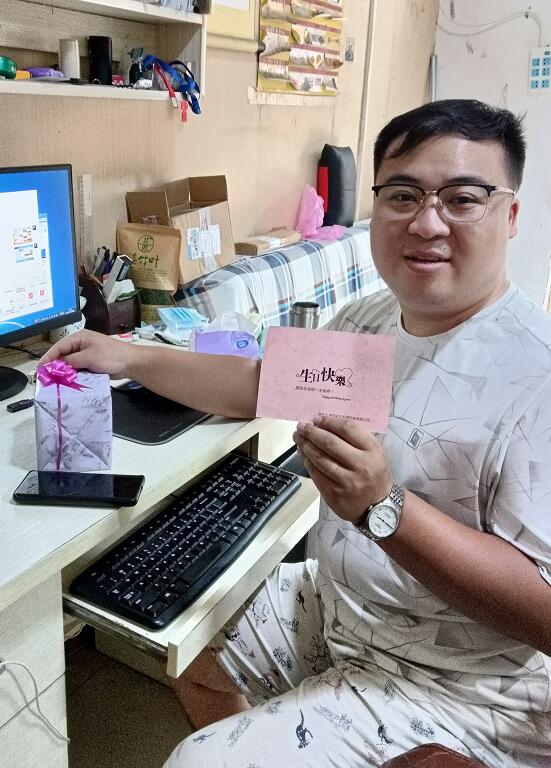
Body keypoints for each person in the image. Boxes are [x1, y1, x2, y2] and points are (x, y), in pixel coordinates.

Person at [42, 99, 551, 767]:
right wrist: (127, 356)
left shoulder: (534, 376)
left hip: (462, 688)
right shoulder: (369, 321)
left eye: (462, 199)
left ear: (509, 216)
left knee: (197, 760)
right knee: (186, 635)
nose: (427, 222)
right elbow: (261, 385)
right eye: (403, 195)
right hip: (350, 609)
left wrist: (384, 508)